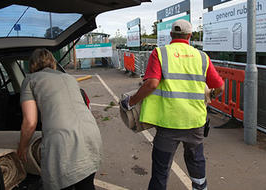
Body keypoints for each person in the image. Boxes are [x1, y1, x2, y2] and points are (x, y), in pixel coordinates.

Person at [121, 19, 224, 190]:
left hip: (169, 123)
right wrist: (211, 95)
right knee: (196, 160)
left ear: (170, 35)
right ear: (190, 36)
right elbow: (220, 87)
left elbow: (151, 84)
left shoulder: (160, 53)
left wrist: (130, 102)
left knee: (161, 169)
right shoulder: (202, 57)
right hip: (195, 122)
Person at [17, 48, 102, 190]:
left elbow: (30, 122)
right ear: (53, 62)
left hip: (63, 141)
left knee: (61, 184)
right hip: (91, 135)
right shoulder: (69, 77)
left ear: (32, 64)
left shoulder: (30, 80)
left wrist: (22, 147)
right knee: (86, 184)